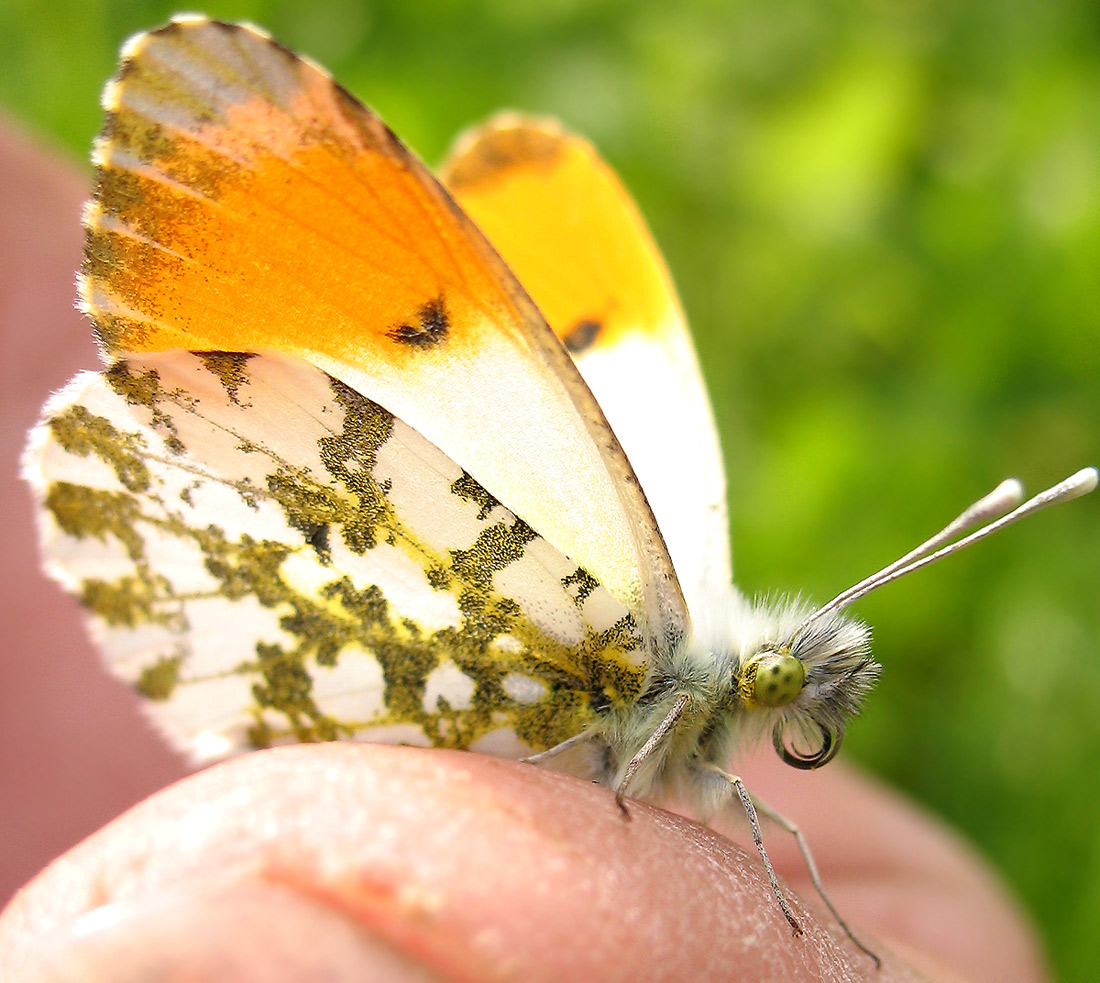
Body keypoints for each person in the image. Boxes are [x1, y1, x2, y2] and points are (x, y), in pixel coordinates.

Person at [0, 120, 1046, 983]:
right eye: (772, 678)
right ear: (751, 674)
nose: (778, 690)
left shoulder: (672, 644)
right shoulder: (652, 641)